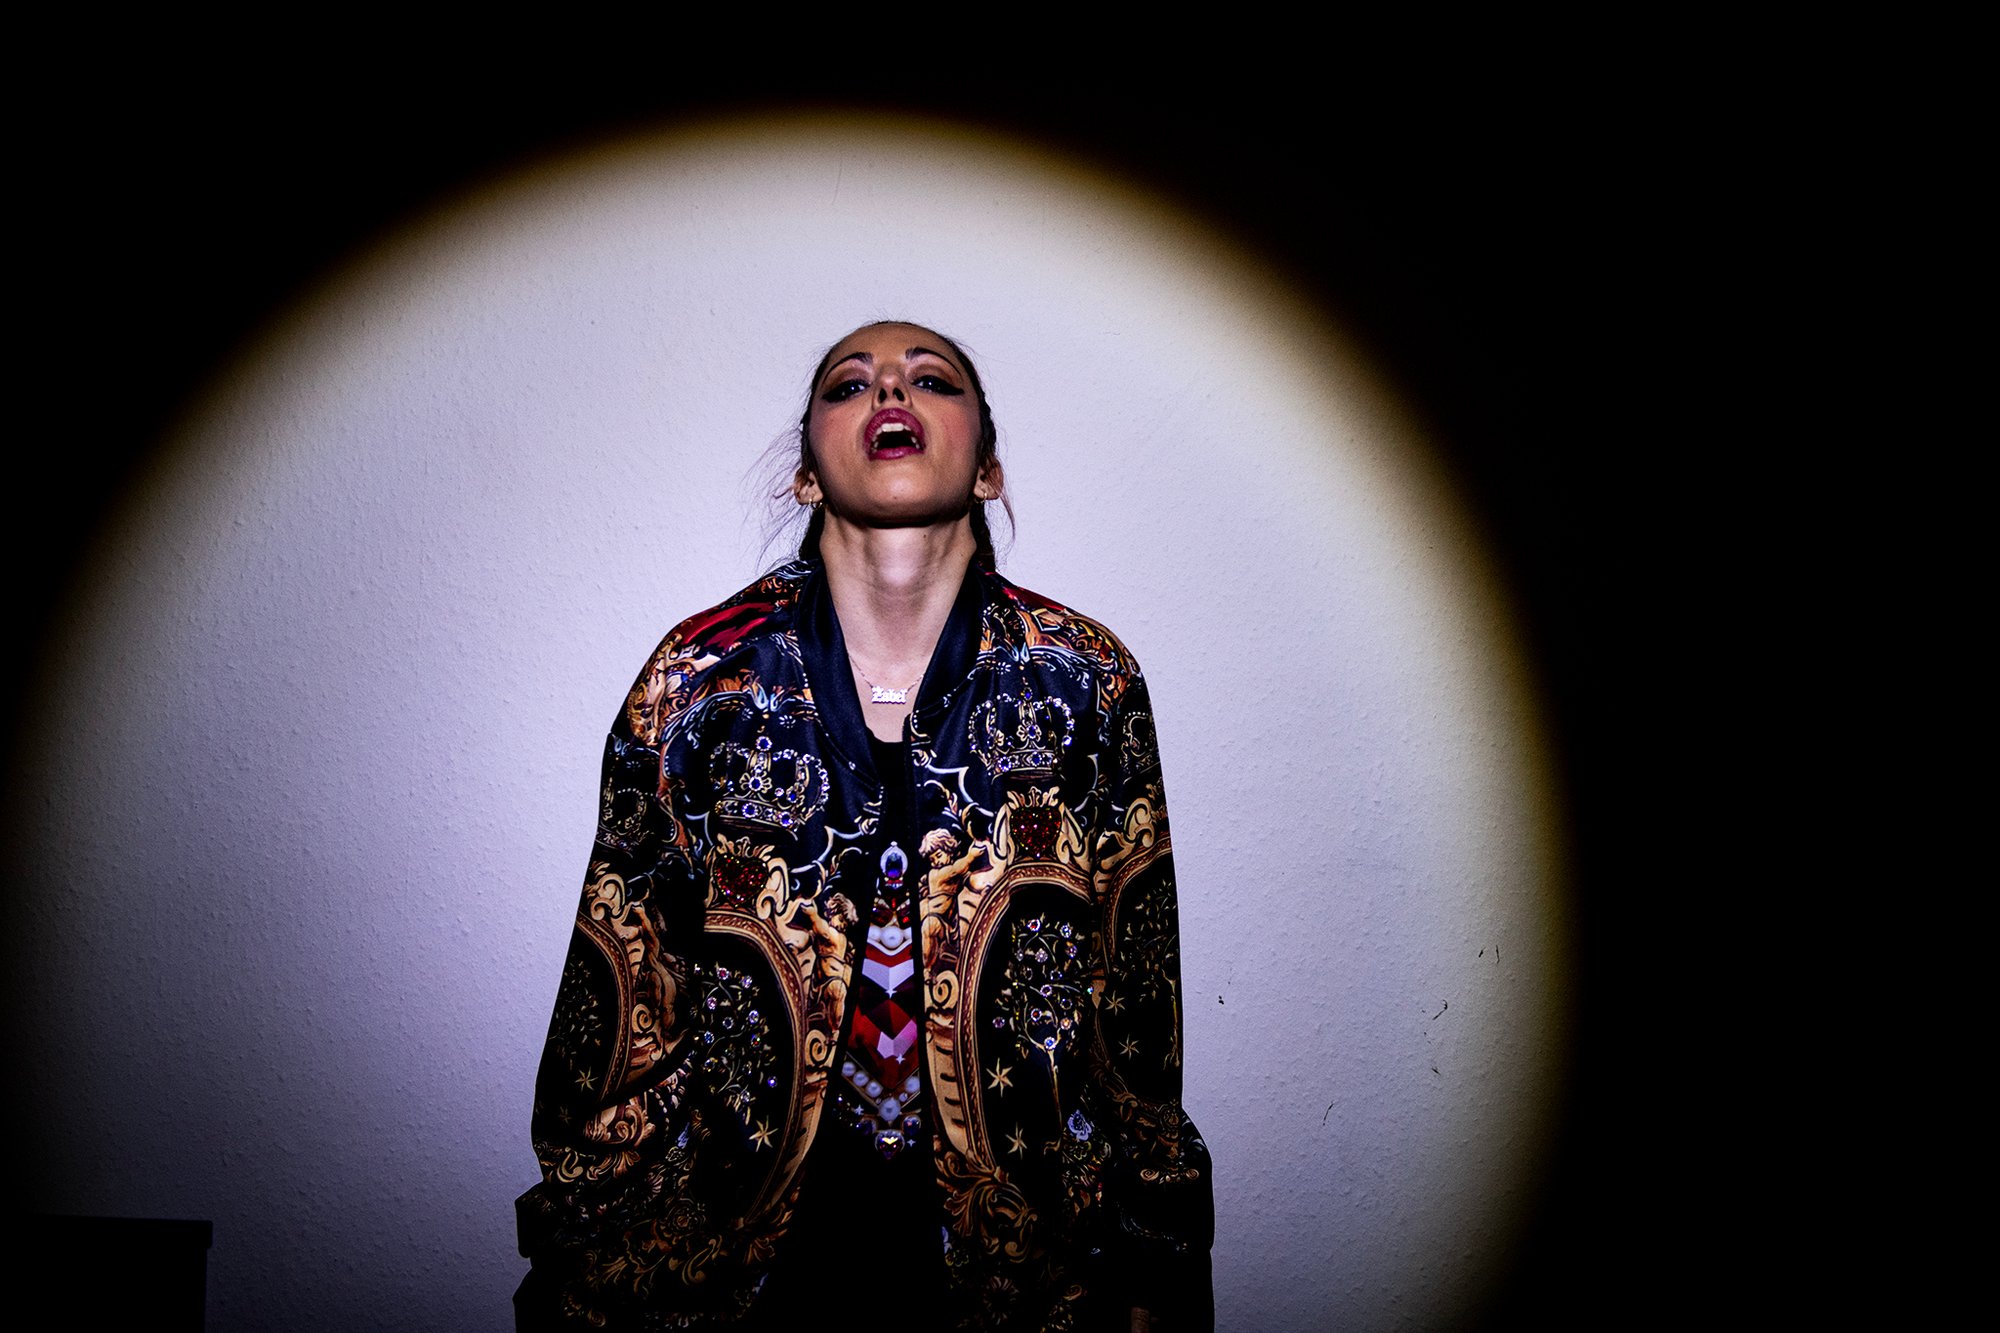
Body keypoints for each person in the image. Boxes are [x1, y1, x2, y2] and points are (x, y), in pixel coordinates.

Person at [517, 322, 1213, 1331]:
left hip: (1030, 1281)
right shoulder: (696, 685)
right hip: (742, 1282)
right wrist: (594, 1252)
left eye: (931, 379)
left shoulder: (1086, 680)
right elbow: (619, 1000)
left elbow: (1139, 1010)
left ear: (988, 467)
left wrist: (1155, 1260)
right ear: (806, 474)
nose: (890, 390)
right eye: (850, 384)